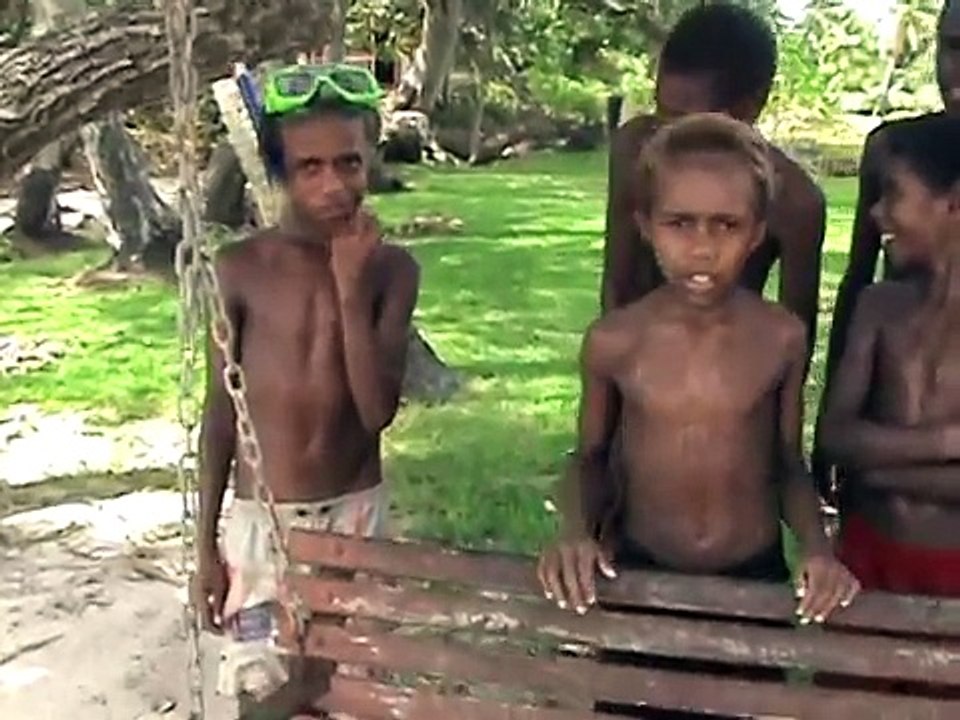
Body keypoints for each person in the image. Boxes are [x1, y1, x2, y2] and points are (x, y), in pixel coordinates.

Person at [538, 113, 859, 624]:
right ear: (646, 227)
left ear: (756, 234)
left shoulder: (781, 338)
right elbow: (590, 458)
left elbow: (787, 463)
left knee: (743, 702)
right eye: (680, 223)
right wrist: (574, 535)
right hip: (641, 570)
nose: (703, 248)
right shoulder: (616, 341)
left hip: (753, 574)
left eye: (726, 225)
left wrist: (818, 550)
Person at [193, 64, 420, 713]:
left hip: (355, 515)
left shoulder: (393, 272)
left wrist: (349, 285)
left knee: (348, 691)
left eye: (349, 163)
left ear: (371, 155)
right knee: (264, 691)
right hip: (262, 525)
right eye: (309, 167)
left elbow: (375, 412)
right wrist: (206, 545)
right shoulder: (239, 269)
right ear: (279, 172)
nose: (333, 186)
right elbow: (219, 414)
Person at [603, 4, 825, 374]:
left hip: (730, 377)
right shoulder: (636, 149)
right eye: (662, 113)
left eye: (686, 120)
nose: (668, 136)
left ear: (748, 109)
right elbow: (617, 284)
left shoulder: (794, 201)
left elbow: (793, 344)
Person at [815, 0, 960, 499]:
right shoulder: (896, 149)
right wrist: (828, 437)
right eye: (951, 48)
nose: (957, 70)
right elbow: (858, 276)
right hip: (889, 388)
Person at [819, 115, 960, 597]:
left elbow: (857, 451)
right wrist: (946, 443)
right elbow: (835, 436)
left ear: (953, 202)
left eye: (894, 194)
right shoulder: (878, 307)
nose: (876, 213)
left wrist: (878, 470)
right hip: (866, 562)